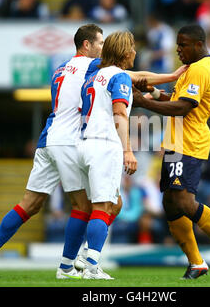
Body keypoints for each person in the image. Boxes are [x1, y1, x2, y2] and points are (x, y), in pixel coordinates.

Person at [0, 24, 187, 279]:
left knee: (30, 203)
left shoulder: (60, 68)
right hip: (71, 141)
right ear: (86, 45)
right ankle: (75, 264)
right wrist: (171, 76)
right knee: (100, 205)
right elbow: (133, 75)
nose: (102, 48)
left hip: (48, 138)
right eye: (99, 43)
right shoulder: (92, 66)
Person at [133, 24, 210, 280]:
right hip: (177, 143)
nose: (178, 50)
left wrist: (144, 102)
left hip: (189, 143)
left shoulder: (200, 69)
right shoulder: (192, 69)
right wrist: (152, 92)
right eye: (177, 45)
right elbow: (176, 99)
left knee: (184, 201)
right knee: (171, 203)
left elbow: (183, 108)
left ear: (198, 44)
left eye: (183, 44)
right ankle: (197, 262)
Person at [76, 30, 138, 279]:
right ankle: (91, 266)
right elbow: (120, 114)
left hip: (84, 145)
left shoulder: (95, 75)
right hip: (104, 145)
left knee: (115, 203)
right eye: (132, 47)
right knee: (103, 206)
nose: (135, 51)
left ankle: (86, 254)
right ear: (125, 52)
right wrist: (128, 150)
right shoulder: (120, 75)